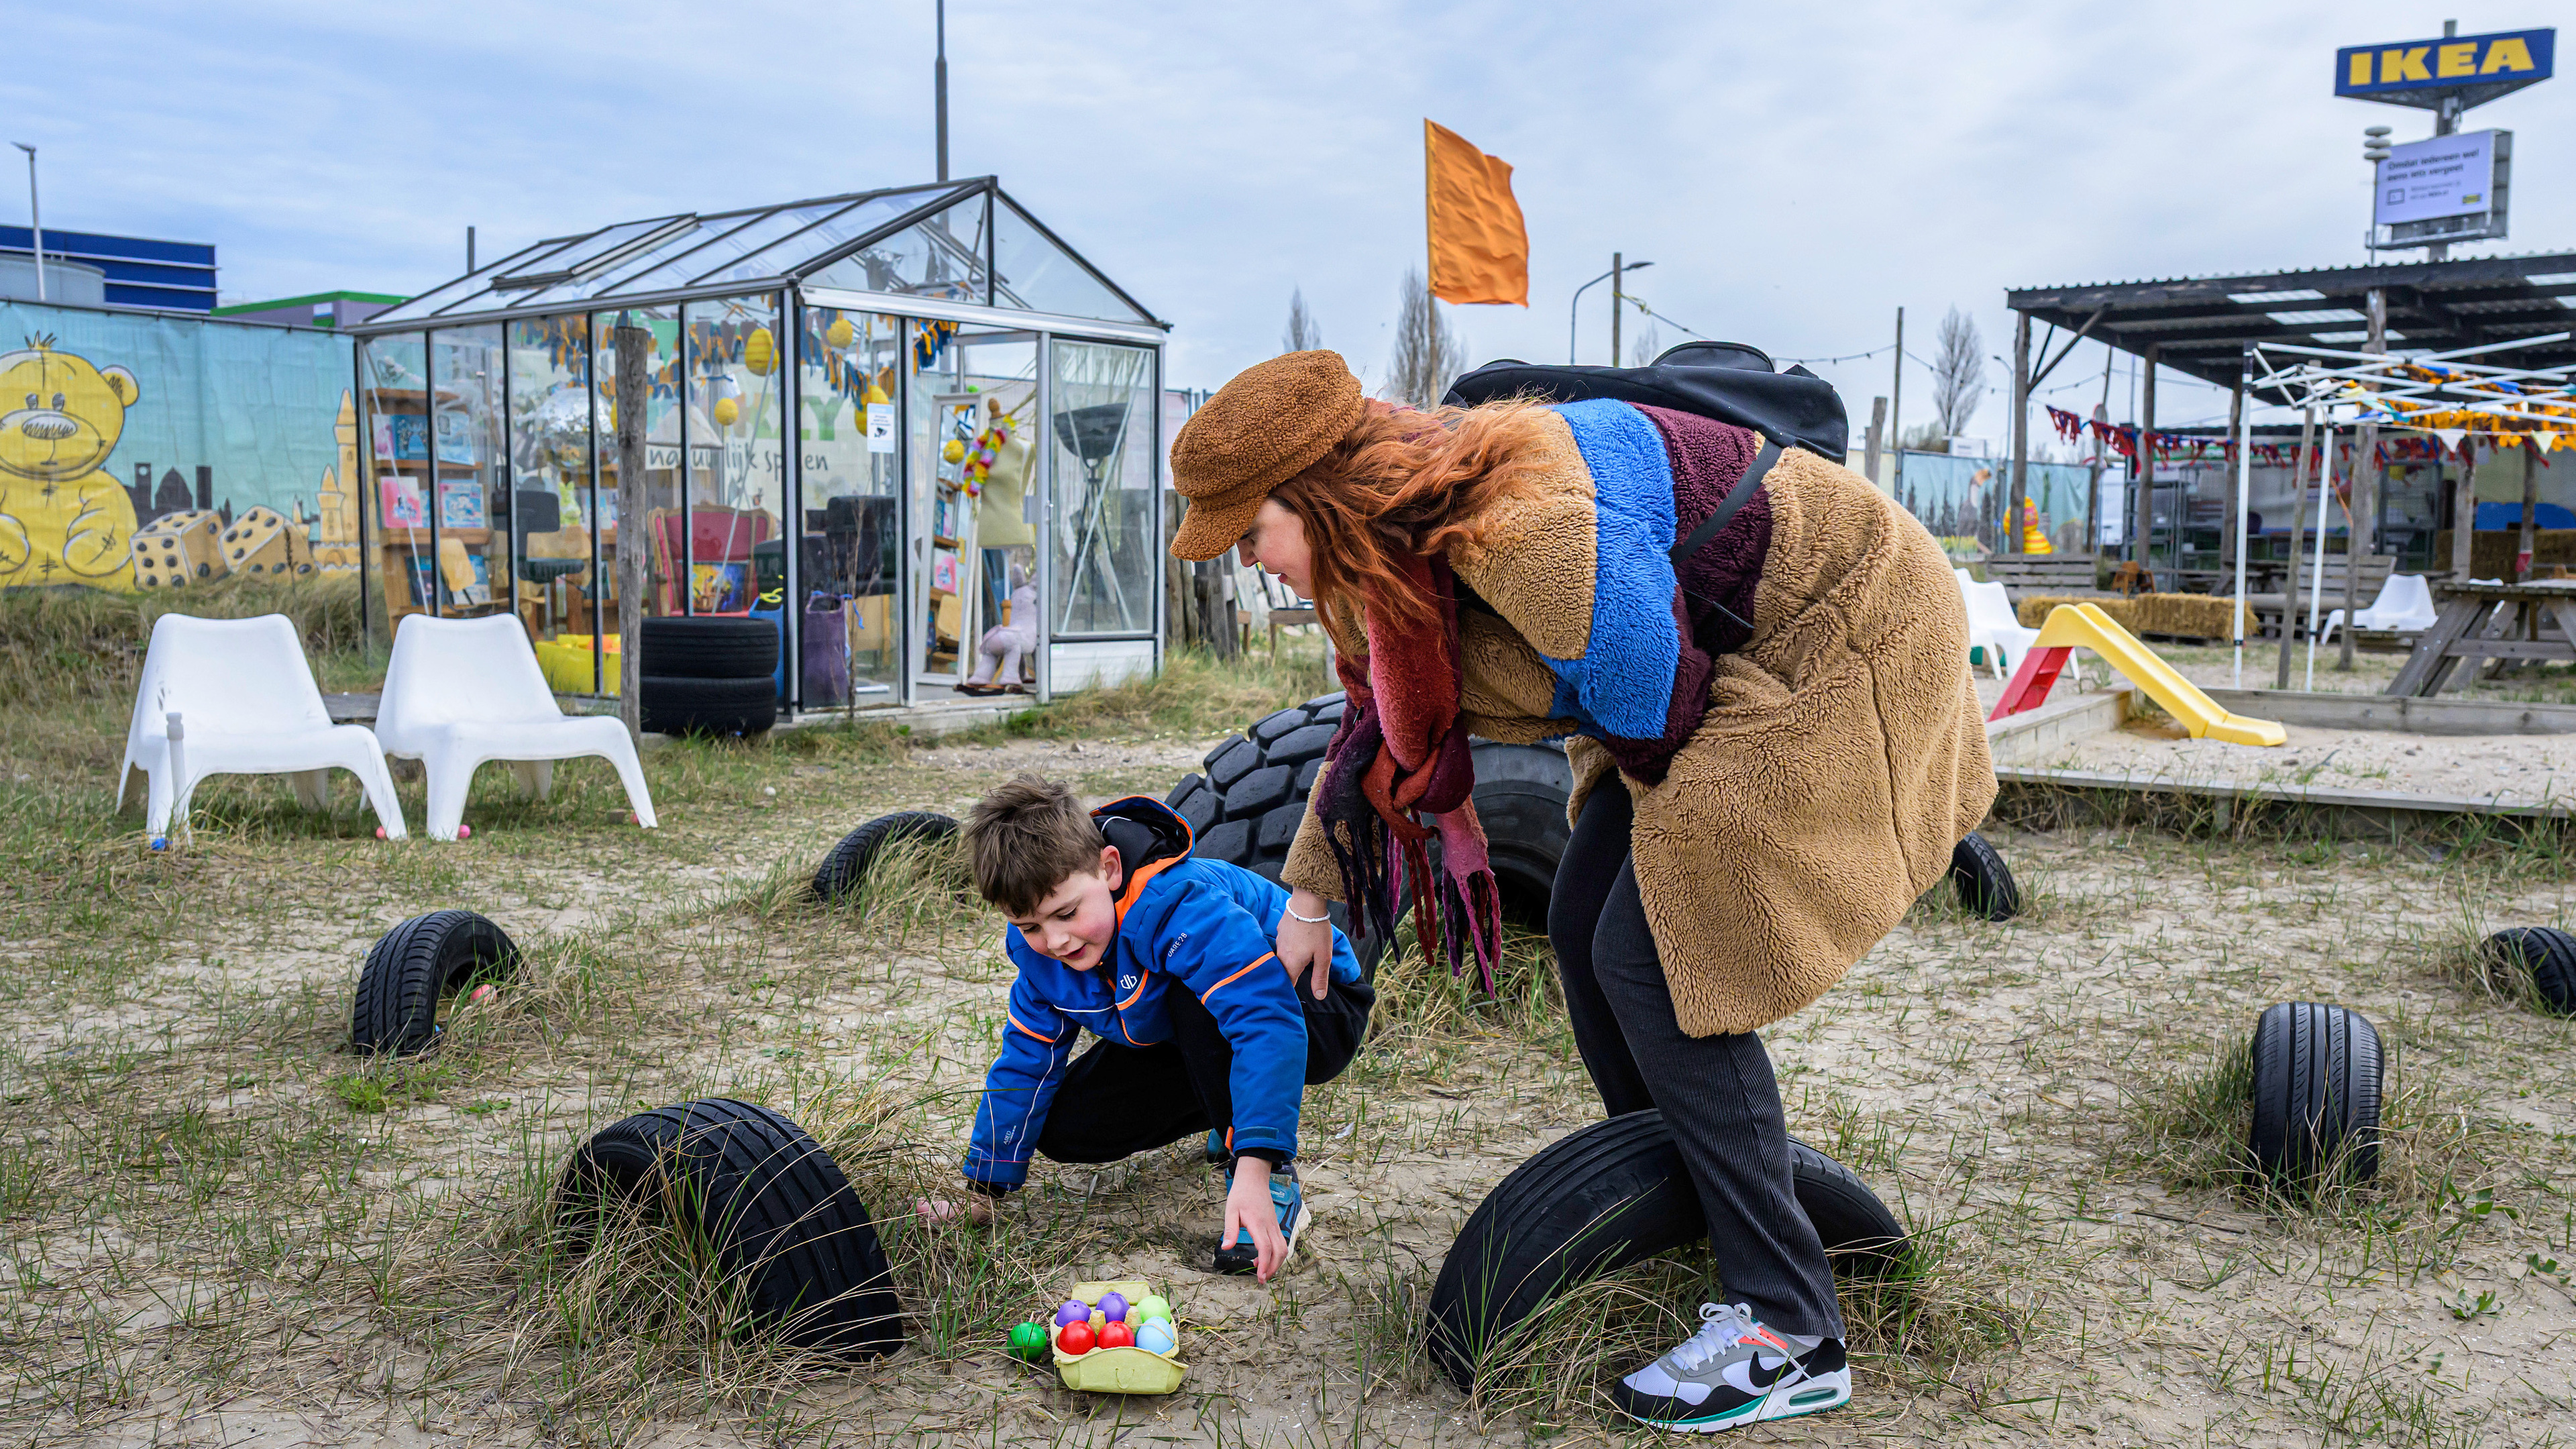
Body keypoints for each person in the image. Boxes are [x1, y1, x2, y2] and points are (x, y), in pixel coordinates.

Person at [1166, 352, 1993, 1432]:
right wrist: (1309, 900)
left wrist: (1686, 882)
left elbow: (1655, 696)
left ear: (1319, 499)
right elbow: (1375, 728)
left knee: (1653, 953)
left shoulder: (1526, 532)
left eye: (1249, 533)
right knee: (1580, 917)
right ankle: (1685, 1193)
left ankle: (1789, 1328)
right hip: (1711, 660)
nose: (1250, 563)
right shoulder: (1395, 559)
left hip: (1843, 628)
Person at [943, 774, 1375, 1281]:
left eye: (1066, 913)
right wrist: (982, 1190)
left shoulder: (1175, 902)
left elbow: (1263, 1018)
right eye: (1030, 926)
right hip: (1187, 1034)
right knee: (1063, 1127)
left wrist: (1256, 1163)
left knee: (1189, 993)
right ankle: (1226, 1113)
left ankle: (1270, 1175)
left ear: (1108, 868)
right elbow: (1025, 1061)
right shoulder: (1042, 958)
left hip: (1316, 1008)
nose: (1055, 940)